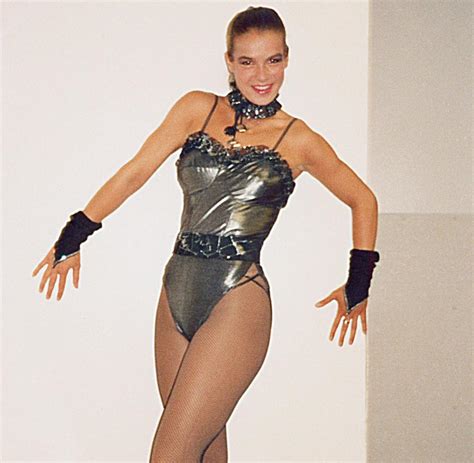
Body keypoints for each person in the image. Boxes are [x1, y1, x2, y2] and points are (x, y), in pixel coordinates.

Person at [32, 6, 380, 462]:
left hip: (238, 297)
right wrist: (74, 234)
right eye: (247, 61)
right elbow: (136, 171)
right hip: (175, 291)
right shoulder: (197, 108)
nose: (261, 75)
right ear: (229, 61)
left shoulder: (299, 139)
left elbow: (363, 199)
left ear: (286, 60)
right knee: (204, 452)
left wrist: (358, 284)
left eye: (273, 60)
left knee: (170, 454)